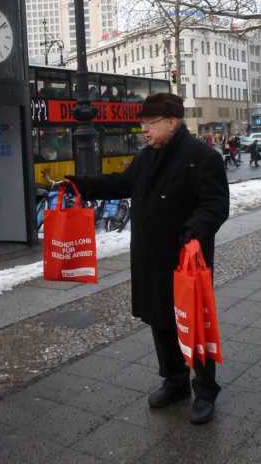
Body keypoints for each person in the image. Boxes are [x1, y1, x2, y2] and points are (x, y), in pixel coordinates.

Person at [67, 93, 229, 425]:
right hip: (150, 259)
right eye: (142, 124)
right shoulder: (146, 157)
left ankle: (206, 390)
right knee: (160, 322)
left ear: (172, 122)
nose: (143, 130)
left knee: (192, 325)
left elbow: (214, 205)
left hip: (186, 261)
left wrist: (195, 235)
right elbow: (121, 183)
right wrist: (79, 185)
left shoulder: (202, 157)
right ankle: (174, 381)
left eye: (149, 124)